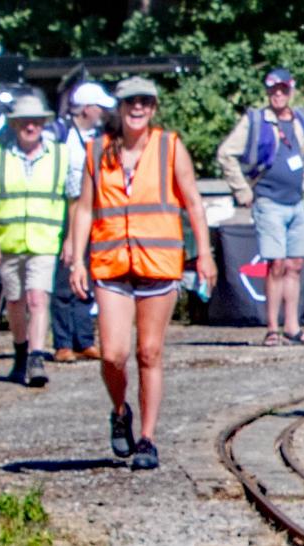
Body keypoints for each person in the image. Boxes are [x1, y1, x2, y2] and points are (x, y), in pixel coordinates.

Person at [66, 77, 217, 470]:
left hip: (158, 262)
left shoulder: (170, 147)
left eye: (145, 102)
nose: (138, 108)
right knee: (113, 354)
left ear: (153, 108)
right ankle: (120, 411)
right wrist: (77, 258)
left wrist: (204, 254)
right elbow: (84, 208)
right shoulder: (97, 151)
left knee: (149, 352)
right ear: (119, 107)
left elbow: (194, 204)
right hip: (111, 261)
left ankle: (148, 439)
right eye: (131, 102)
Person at [0, 95, 81, 387]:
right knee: (15, 301)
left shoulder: (59, 156)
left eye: (35, 121)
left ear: (43, 124)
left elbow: (75, 200)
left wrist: (71, 239)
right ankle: (20, 351)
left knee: (38, 298)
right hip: (9, 244)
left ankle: (36, 357)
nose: (30, 126)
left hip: (45, 242)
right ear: (15, 125)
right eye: (24, 121)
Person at [217, 67, 304, 346]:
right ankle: (272, 327)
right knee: (275, 264)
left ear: (291, 90)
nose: (278, 95)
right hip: (267, 200)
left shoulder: (300, 119)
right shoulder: (255, 120)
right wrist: (243, 190)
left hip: (295, 201)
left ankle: (293, 326)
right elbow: (226, 153)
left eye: (283, 90)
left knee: (295, 264)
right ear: (267, 92)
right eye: (273, 90)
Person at [49, 83, 114, 363]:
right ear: (87, 108)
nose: (103, 112)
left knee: (87, 280)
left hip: (94, 217)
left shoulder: (99, 136)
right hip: (65, 214)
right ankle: (63, 343)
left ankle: (84, 340)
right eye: (99, 106)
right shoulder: (61, 136)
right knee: (64, 283)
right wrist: (68, 236)